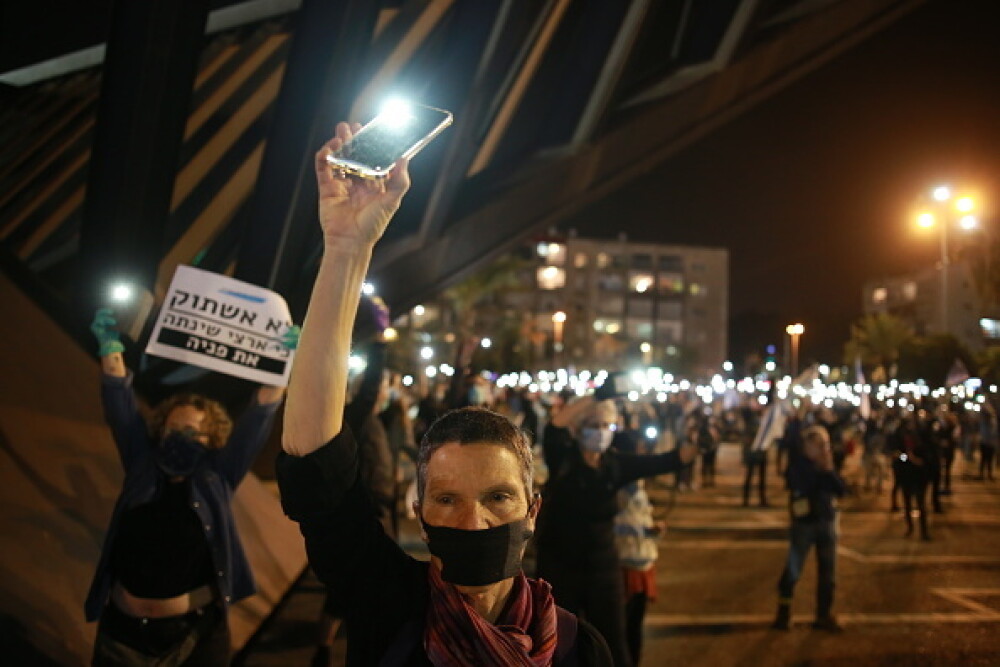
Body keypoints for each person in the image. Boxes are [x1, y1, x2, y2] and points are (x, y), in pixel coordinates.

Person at [276, 123, 613, 665]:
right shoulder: (385, 604)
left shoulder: (580, 649)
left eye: (497, 498)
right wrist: (346, 247)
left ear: (532, 510)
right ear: (418, 512)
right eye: (447, 500)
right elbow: (316, 464)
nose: (473, 522)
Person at [86, 308, 289, 665]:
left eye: (194, 431)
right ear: (160, 430)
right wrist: (109, 349)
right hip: (122, 635)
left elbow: (259, 415)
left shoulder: (219, 475)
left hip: (194, 638)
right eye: (175, 428)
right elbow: (119, 403)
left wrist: (284, 360)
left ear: (212, 439)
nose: (182, 437)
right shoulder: (142, 464)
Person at [536, 395, 696, 667]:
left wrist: (695, 441)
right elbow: (555, 426)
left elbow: (667, 461)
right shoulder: (563, 457)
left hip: (603, 568)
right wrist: (599, 395)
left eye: (606, 426)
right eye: (593, 425)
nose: (600, 433)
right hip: (560, 566)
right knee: (559, 645)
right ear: (578, 429)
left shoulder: (616, 463)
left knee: (612, 641)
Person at [772, 425, 846, 632]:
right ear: (808, 446)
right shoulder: (798, 465)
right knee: (793, 569)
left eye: (826, 445)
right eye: (820, 445)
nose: (824, 450)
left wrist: (829, 471)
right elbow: (803, 485)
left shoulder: (826, 466)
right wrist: (822, 472)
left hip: (826, 521)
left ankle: (823, 615)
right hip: (804, 525)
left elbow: (841, 490)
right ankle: (783, 614)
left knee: (828, 573)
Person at [613, 480, 663, 666]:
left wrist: (651, 530)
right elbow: (615, 525)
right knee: (625, 627)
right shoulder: (620, 488)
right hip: (626, 565)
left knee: (634, 626)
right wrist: (644, 530)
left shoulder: (638, 488)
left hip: (641, 564)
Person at [744, 388, 785, 507]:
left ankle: (762, 499)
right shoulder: (751, 418)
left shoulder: (765, 420)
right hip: (753, 451)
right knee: (750, 476)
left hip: (762, 451)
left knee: (762, 477)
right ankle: (746, 500)